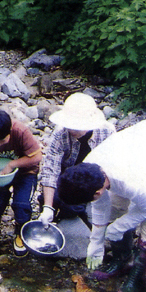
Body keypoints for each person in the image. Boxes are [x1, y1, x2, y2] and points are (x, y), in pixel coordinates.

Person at [57, 119, 146, 292]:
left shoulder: (130, 181)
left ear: (98, 191)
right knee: (116, 208)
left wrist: (118, 227)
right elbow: (101, 206)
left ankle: (136, 277)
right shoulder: (89, 167)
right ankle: (121, 259)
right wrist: (96, 243)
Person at [38, 93, 115, 227]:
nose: (72, 129)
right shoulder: (60, 133)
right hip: (66, 174)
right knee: (48, 199)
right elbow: (50, 169)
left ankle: (70, 220)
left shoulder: (107, 132)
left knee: (73, 208)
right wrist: (48, 207)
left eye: (77, 126)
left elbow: (112, 166)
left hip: (91, 178)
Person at [0, 109, 42, 258]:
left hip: (25, 171)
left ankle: (20, 232)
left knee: (22, 204)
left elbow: (37, 156)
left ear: (10, 130)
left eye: (3, 141)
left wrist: (13, 164)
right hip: (0, 173)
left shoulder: (20, 132)